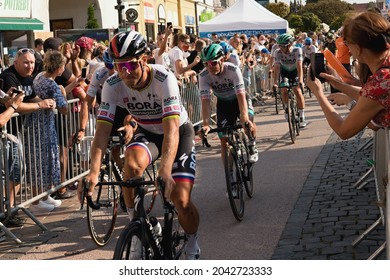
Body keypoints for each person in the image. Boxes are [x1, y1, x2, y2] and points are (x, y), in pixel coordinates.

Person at [80, 31, 200, 260]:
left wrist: (165, 170)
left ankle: (192, 239)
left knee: (181, 199)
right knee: (131, 168)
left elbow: (171, 130)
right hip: (147, 131)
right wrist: (93, 173)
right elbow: (102, 132)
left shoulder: (164, 78)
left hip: (177, 131)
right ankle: (138, 227)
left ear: (144, 60)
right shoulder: (113, 84)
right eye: (118, 65)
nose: (124, 72)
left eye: (129, 65)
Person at [307, 12, 390, 139]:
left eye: (347, 43)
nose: (348, 49)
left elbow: (343, 130)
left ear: (358, 47)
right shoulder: (384, 68)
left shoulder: (380, 83)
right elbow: (371, 97)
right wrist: (340, 84)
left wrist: (318, 93)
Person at [0, 48, 56, 222]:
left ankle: (9, 211)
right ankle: (3, 212)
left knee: (17, 174)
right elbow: (15, 105)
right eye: (26, 62)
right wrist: (40, 106)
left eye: (32, 62)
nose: (30, 66)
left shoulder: (28, 78)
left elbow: (29, 98)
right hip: (5, 132)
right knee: (4, 177)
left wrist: (47, 102)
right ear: (15, 62)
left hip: (14, 134)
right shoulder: (8, 77)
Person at [199, 43, 259, 168]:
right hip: (223, 104)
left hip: (239, 100)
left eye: (213, 63)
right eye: (206, 63)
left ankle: (252, 145)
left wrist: (244, 117)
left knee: (248, 123)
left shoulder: (232, 70)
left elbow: (241, 95)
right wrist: (205, 124)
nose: (209, 67)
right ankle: (230, 175)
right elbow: (205, 101)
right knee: (224, 140)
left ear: (222, 60)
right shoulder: (203, 76)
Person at [27, 50, 69, 213]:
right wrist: (64, 93)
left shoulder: (38, 77)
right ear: (58, 67)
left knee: (42, 160)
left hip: (36, 123)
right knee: (43, 161)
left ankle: (44, 196)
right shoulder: (51, 83)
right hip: (43, 125)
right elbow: (64, 108)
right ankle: (38, 199)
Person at [273, 33, 307, 128]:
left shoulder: (297, 50)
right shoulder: (277, 52)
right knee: (283, 89)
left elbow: (299, 65)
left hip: (295, 72)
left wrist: (301, 80)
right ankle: (286, 108)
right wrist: (275, 83)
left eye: (283, 46)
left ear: (289, 45)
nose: (281, 48)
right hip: (285, 72)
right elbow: (276, 67)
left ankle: (301, 115)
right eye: (279, 45)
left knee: (297, 90)